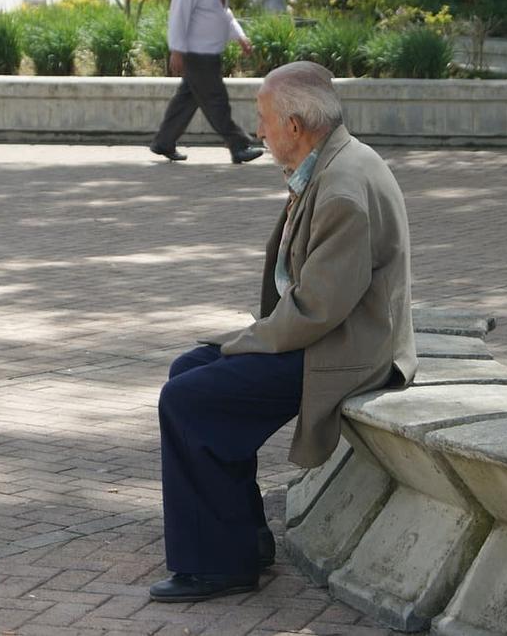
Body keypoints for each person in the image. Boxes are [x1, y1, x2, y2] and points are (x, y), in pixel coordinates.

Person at [149, 60, 417, 603]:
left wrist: (243, 342)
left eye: (264, 118)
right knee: (189, 373)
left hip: (349, 349)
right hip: (331, 334)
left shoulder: (343, 185)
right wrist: (239, 344)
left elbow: (318, 309)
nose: (258, 132)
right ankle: (242, 538)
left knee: (189, 398)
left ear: (295, 126)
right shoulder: (330, 161)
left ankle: (219, 565)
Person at [150, 0, 263, 165]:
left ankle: (164, 141)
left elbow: (222, 13)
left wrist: (239, 36)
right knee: (216, 101)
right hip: (197, 56)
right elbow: (178, 18)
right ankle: (238, 145)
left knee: (186, 100)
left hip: (208, 54)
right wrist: (177, 51)